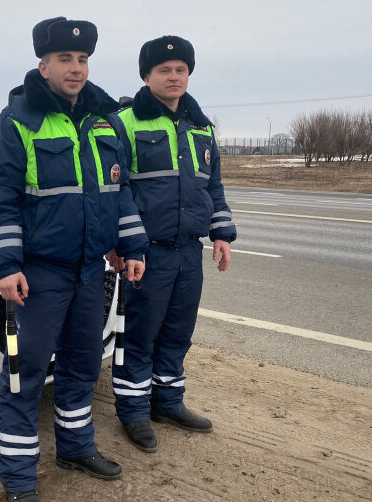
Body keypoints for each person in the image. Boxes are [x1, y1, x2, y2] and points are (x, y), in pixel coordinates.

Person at [0, 17, 148, 502]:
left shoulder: (105, 121)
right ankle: (19, 479)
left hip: (91, 273)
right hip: (39, 276)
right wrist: (6, 266)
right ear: (43, 65)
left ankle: (74, 447)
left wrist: (130, 247)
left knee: (82, 366)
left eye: (83, 59)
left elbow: (121, 191)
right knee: (24, 374)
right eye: (65, 60)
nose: (76, 69)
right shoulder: (15, 124)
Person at [107, 35, 236, 453]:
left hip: (188, 250)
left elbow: (212, 185)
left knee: (178, 332)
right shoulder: (124, 122)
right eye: (164, 70)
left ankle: (168, 403)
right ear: (147, 76)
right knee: (141, 335)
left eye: (181, 69)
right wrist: (126, 244)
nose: (174, 76)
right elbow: (115, 188)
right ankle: (133, 412)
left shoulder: (200, 126)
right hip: (147, 253)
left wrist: (221, 233)